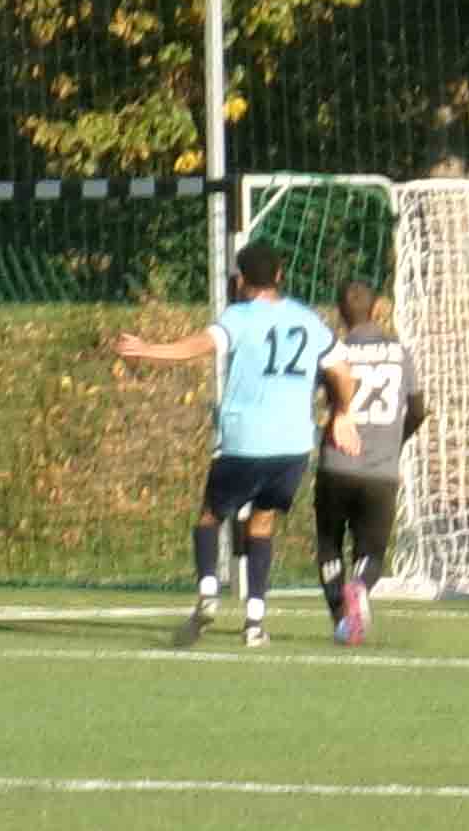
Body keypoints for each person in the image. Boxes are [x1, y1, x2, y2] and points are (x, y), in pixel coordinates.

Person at [110, 241, 329, 646]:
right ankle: (255, 623)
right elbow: (342, 369)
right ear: (279, 275)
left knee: (210, 516)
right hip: (293, 444)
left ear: (241, 279)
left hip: (246, 440)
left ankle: (208, 591)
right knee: (263, 522)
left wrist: (147, 349)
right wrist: (344, 411)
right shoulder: (308, 319)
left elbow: (197, 346)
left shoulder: (239, 317)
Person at [312, 281, 427, 645]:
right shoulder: (399, 352)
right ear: (377, 309)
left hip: (336, 464)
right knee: (371, 549)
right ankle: (360, 586)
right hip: (381, 470)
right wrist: (396, 440)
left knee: (329, 545)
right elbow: (418, 409)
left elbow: (315, 399)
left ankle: (341, 620)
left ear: (339, 312)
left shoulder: (335, 351)